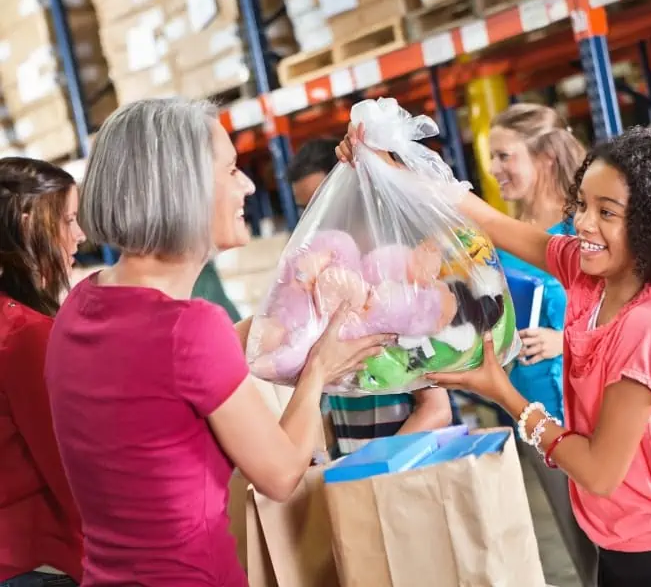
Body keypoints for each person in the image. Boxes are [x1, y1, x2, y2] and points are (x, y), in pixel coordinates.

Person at [337, 125, 651, 587]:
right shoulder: (590, 277)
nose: (583, 223)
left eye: (607, 212)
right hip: (628, 549)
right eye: (582, 205)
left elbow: (599, 473)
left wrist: (503, 393)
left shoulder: (649, 327)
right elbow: (490, 221)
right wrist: (391, 170)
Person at [44, 98, 392, 586]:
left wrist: (290, 308)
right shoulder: (190, 327)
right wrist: (318, 371)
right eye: (231, 170)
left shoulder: (82, 303)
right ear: (183, 190)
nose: (248, 184)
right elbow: (279, 473)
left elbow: (161, 383)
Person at [489, 104, 598, 586]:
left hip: (590, 417)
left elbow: (632, 320)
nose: (494, 169)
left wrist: (563, 340)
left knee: (618, 546)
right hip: (536, 416)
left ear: (546, 160)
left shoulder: (584, 230)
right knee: (582, 552)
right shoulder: (505, 239)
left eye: (503, 156)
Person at [288, 138, 453, 457]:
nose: (314, 217)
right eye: (303, 208)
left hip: (406, 468)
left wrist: (372, 467)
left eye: (321, 202)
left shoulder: (398, 280)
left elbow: (435, 409)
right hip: (357, 471)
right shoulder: (326, 288)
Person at [0, 158, 85, 586]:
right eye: (68, 219)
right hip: (38, 564)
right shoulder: (25, 335)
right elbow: (67, 467)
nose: (79, 235)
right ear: (29, 221)